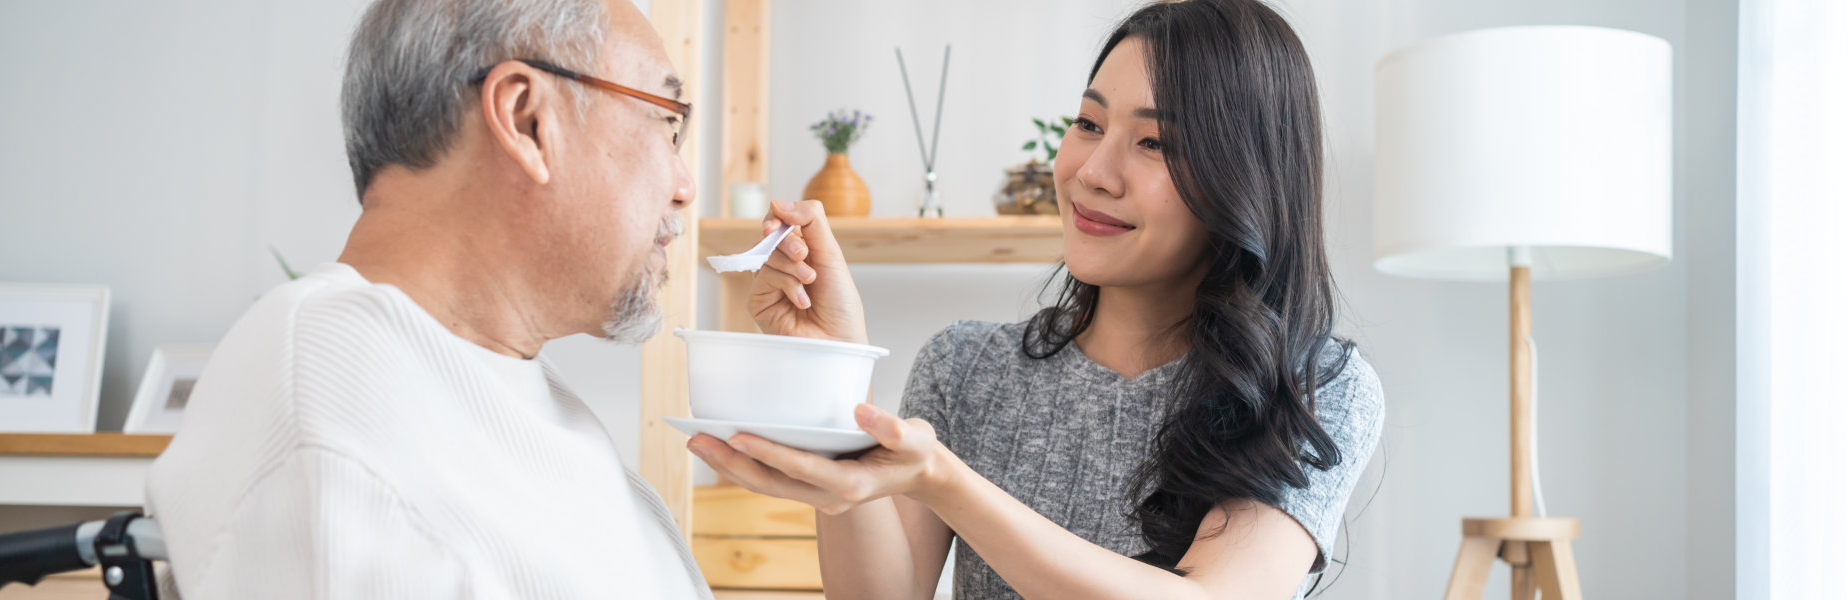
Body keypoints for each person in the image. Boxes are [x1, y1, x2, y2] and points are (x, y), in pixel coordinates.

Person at [689, 1, 1384, 598]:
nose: (1092, 172)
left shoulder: (1316, 387)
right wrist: (836, 371)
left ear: (1246, 181)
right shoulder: (965, 367)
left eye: (1153, 142)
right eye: (1088, 124)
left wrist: (946, 482)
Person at [144, 0, 711, 597]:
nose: (684, 187)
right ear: (526, 120)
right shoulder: (337, 401)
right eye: (664, 120)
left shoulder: (501, 390)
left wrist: (823, 488)